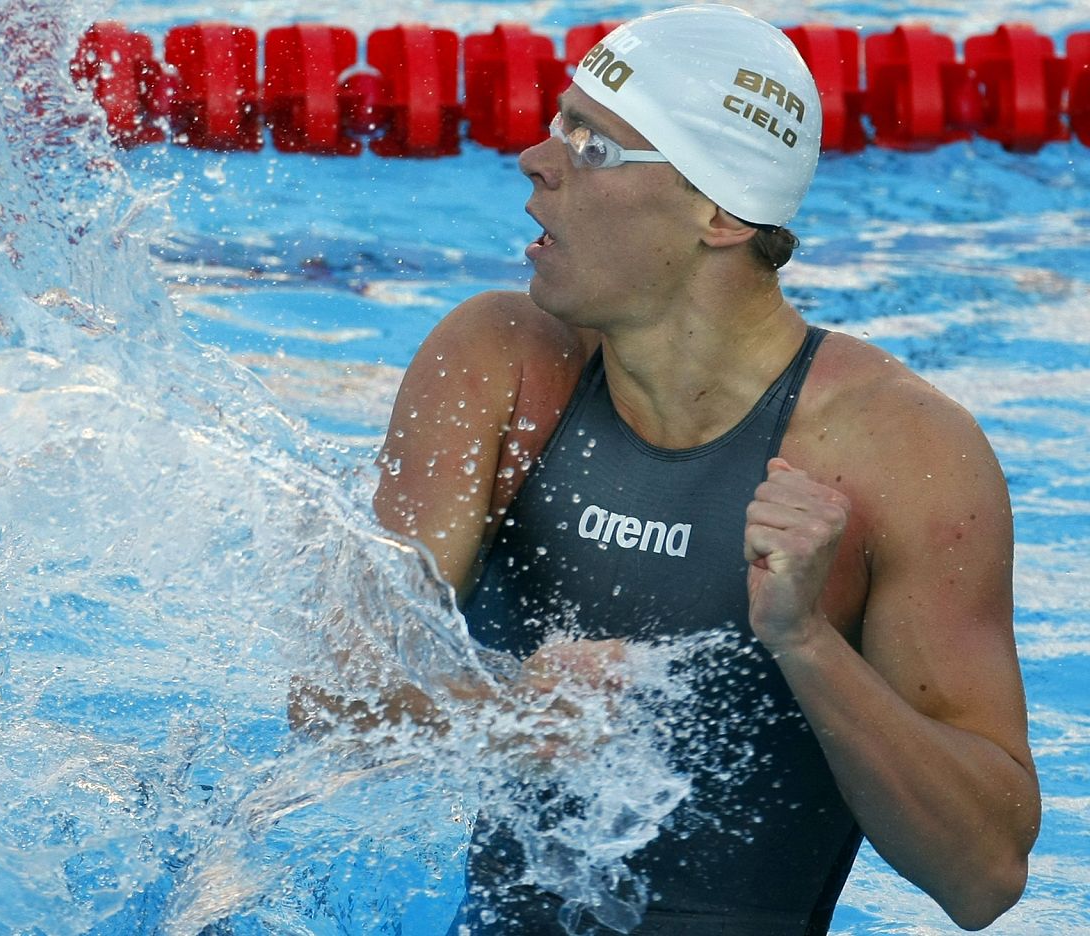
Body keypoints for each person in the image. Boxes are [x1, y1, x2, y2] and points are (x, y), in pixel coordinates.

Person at [365, 5, 1039, 933]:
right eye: (560, 122)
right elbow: (333, 699)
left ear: (720, 213)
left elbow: (985, 876)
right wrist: (508, 711)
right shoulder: (497, 366)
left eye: (591, 145)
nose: (535, 159)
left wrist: (807, 644)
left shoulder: (899, 454)